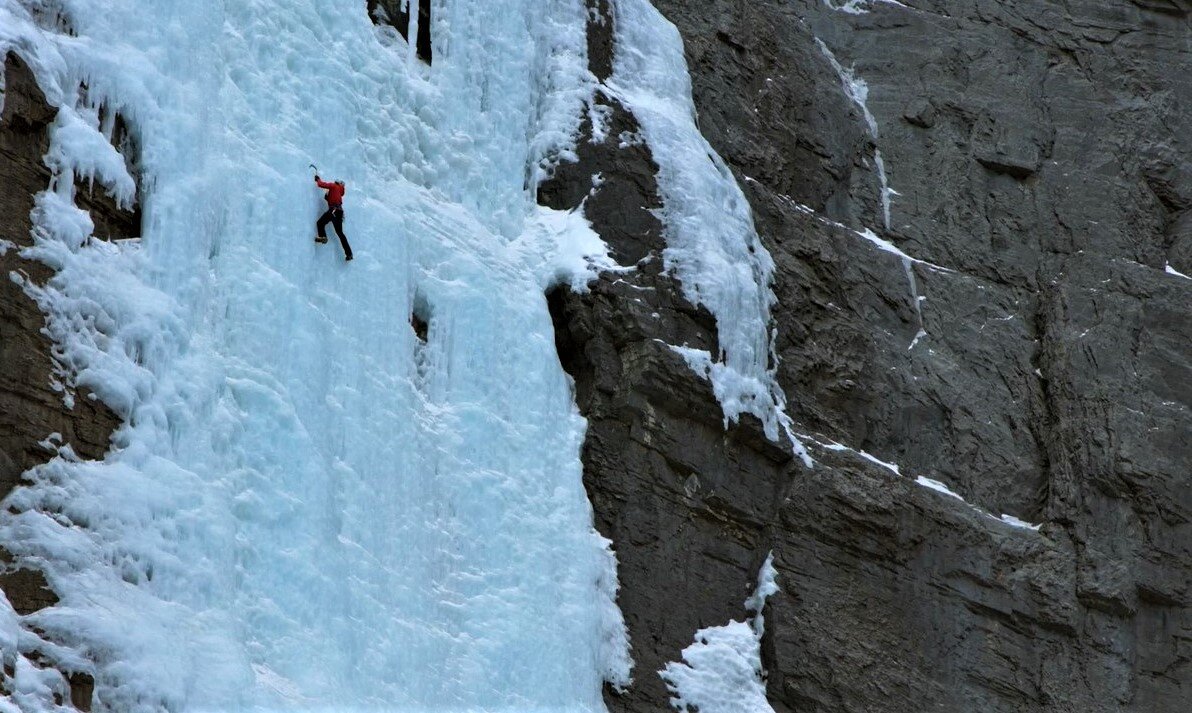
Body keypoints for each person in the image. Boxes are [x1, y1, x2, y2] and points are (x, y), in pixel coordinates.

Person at [314, 175, 354, 261]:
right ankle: (349, 254)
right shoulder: (339, 191)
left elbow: (321, 184)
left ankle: (323, 237)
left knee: (320, 223)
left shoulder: (333, 185)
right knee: (340, 233)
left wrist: (318, 179)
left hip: (334, 210)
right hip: (339, 212)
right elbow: (331, 198)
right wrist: (327, 197)